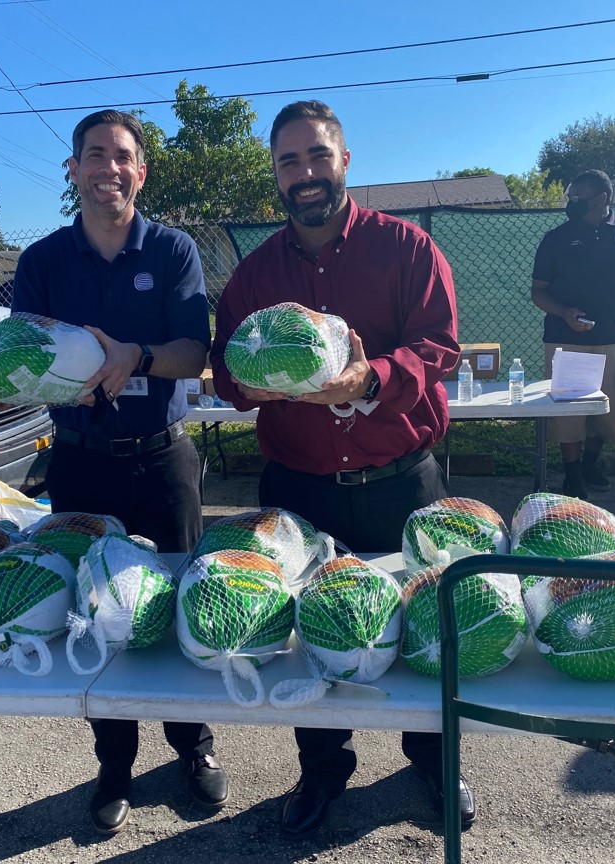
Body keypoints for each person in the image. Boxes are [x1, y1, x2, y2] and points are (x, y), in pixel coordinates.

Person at [0, 109, 229, 835]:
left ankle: (193, 745)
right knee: (95, 613)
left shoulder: (172, 251)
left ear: (141, 172)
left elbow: (193, 355)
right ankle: (115, 762)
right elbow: (24, 356)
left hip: (163, 463)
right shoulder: (43, 262)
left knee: (176, 610)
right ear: (73, 171)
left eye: (124, 156)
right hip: (79, 466)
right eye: (95, 155)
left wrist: (131, 356)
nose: (109, 167)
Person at [210, 100, 476, 836]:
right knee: (313, 636)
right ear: (275, 173)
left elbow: (440, 346)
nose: (305, 174)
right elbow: (225, 368)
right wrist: (247, 386)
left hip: (401, 481)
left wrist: (370, 380)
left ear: (345, 160)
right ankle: (324, 770)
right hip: (301, 493)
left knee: (425, 629)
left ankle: (433, 760)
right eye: (289, 161)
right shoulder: (257, 275)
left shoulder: (405, 248)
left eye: (318, 155)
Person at [531, 169, 615, 500]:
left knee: (607, 409)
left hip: (613, 337)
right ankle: (572, 475)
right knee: (568, 410)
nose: (571, 202)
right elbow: (539, 292)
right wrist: (564, 312)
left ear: (602, 197)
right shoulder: (555, 239)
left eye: (578, 196)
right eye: (569, 196)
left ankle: (590, 463)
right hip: (565, 338)